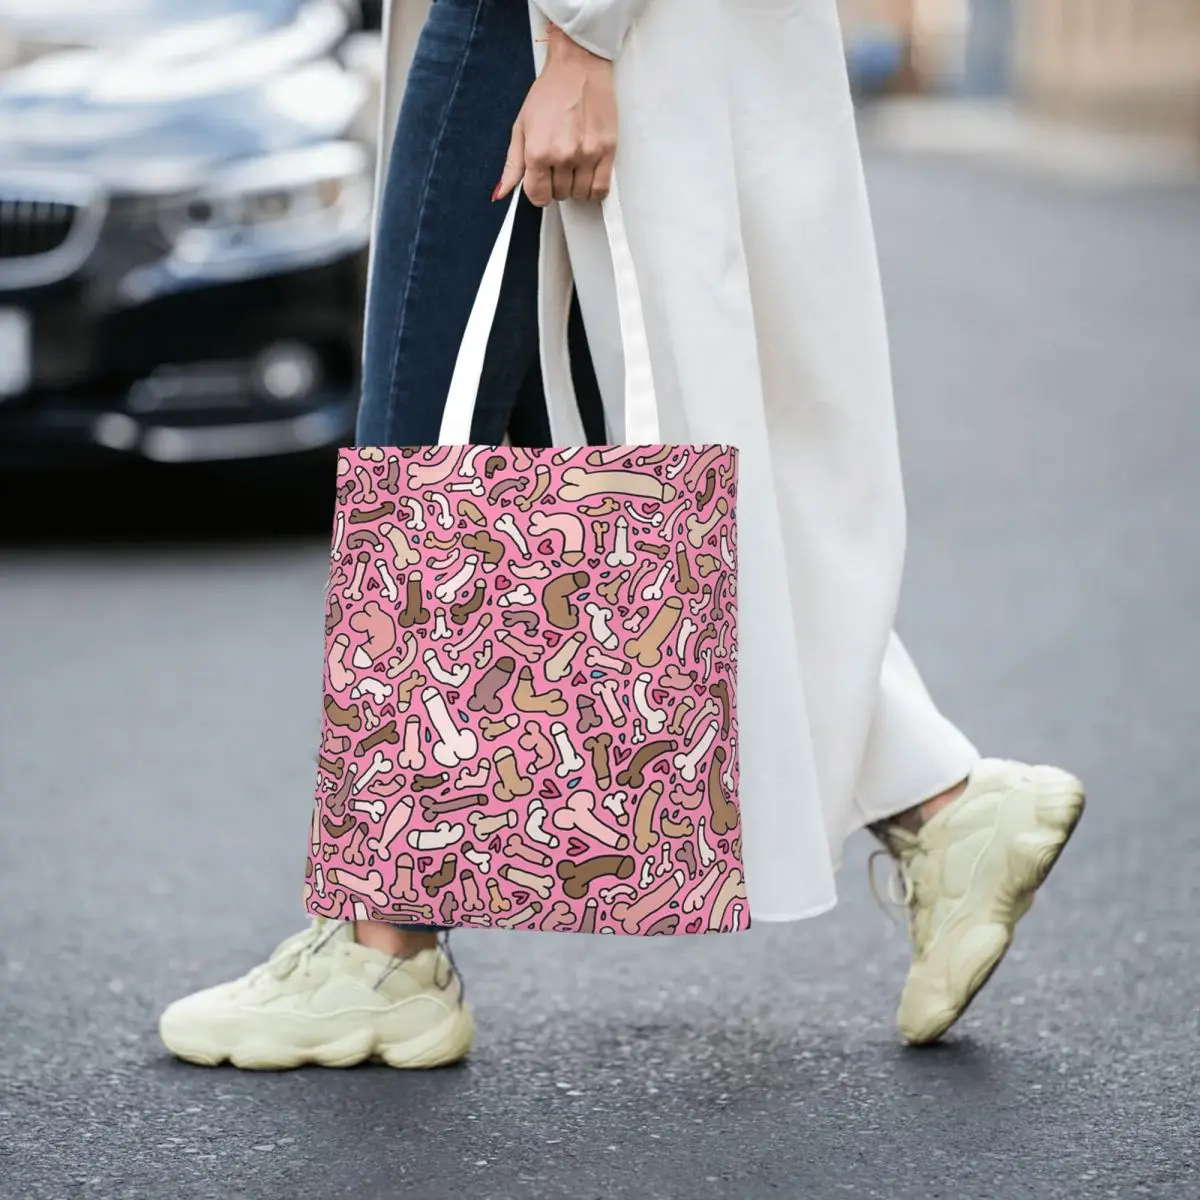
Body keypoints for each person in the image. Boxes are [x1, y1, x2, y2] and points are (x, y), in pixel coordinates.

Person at [158, 0, 1084, 1069]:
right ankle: (942, 804)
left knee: (428, 437)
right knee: (592, 423)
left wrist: (583, 37)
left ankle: (383, 941)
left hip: (539, 23)